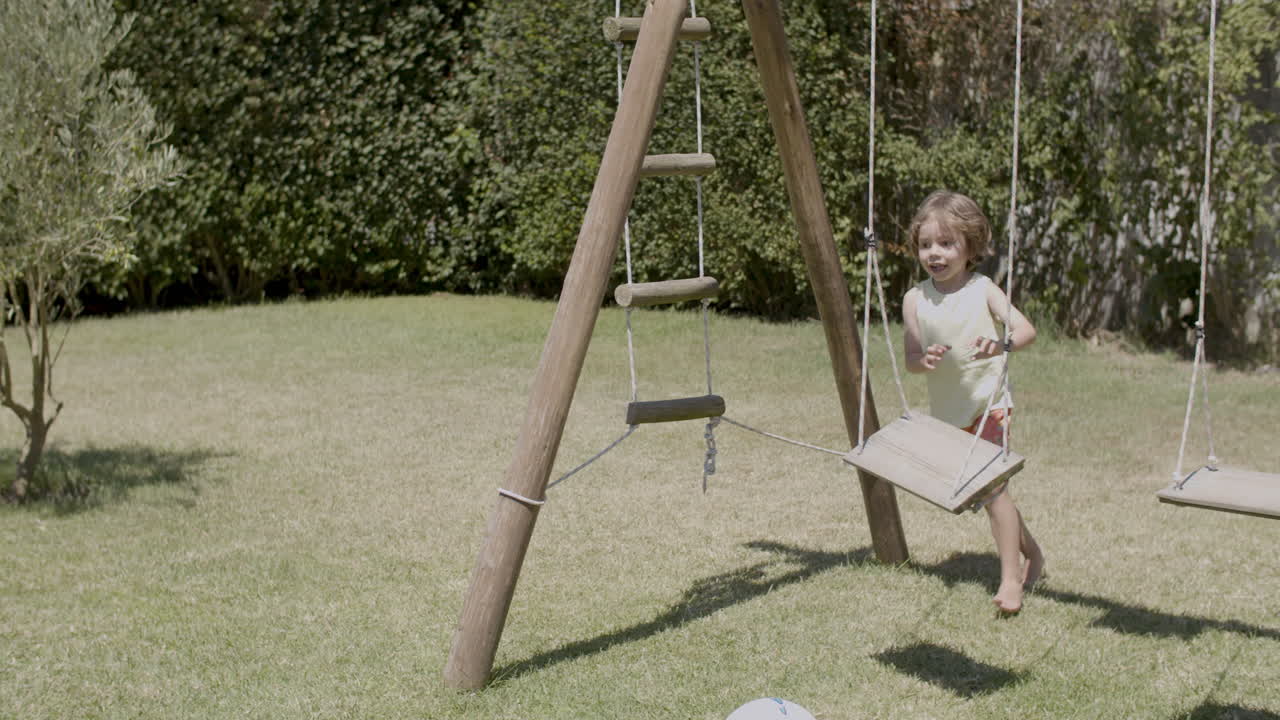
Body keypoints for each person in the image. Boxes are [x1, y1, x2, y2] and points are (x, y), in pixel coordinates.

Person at [901, 190, 1044, 614]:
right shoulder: (915, 299)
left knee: (995, 491)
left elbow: (1025, 331)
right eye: (926, 244)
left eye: (946, 244)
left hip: (989, 405)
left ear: (970, 246)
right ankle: (1033, 552)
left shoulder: (983, 289)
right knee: (986, 496)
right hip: (948, 414)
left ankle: (1010, 581)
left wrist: (999, 345)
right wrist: (922, 361)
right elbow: (910, 359)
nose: (935, 253)